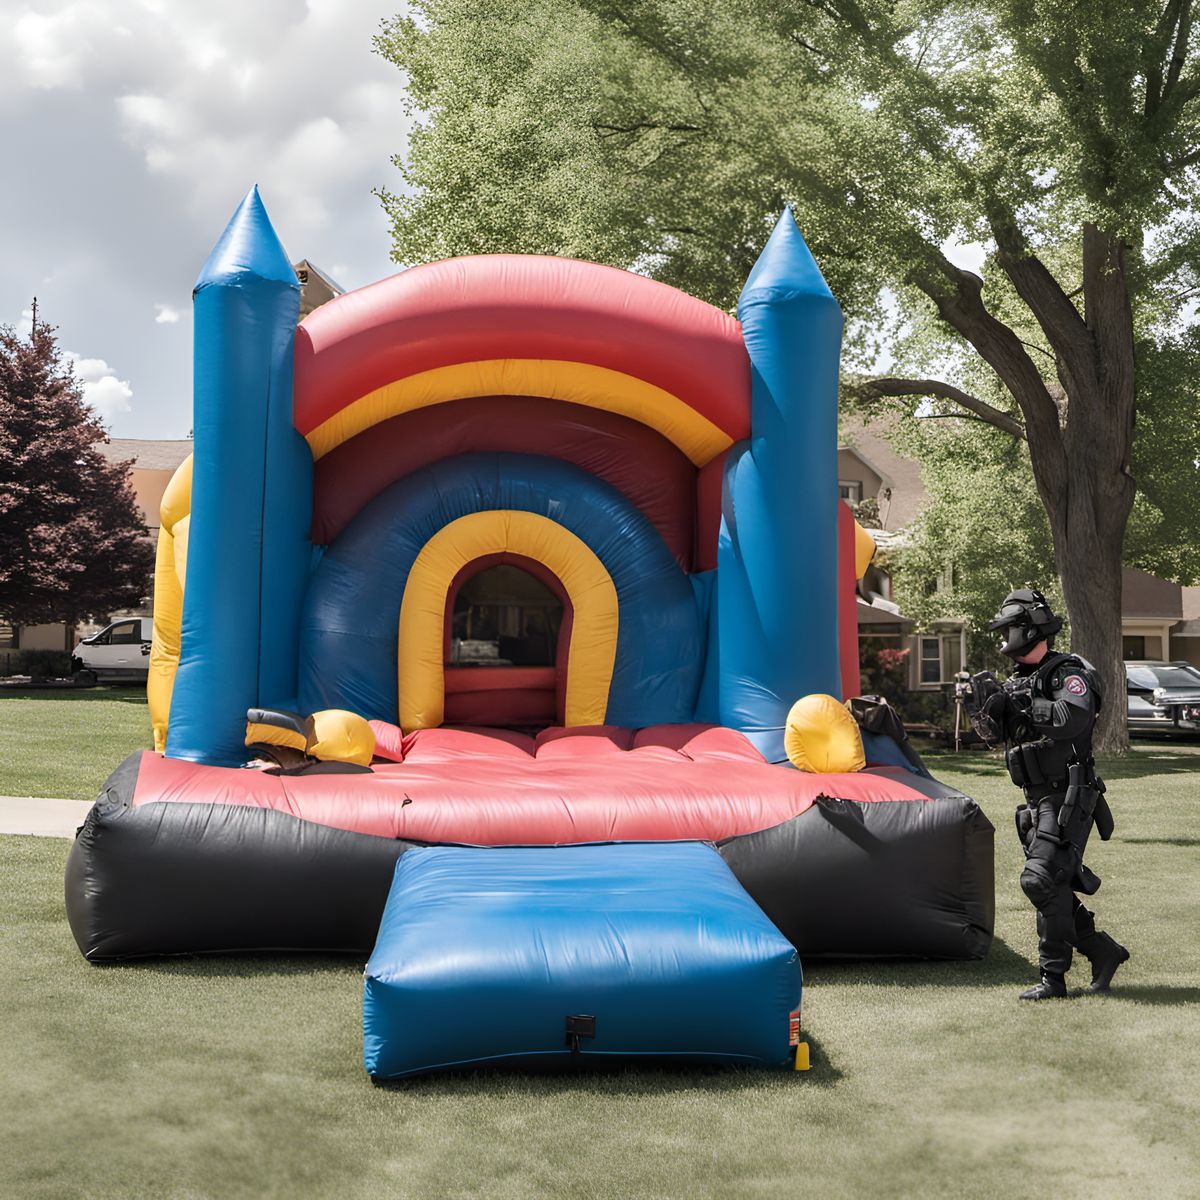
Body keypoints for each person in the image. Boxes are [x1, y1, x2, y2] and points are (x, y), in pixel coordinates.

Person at [963, 588, 1129, 1000]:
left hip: (1069, 794)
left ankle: (1053, 979)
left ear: (1030, 629)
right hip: (1036, 799)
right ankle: (1103, 952)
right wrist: (982, 710)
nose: (1004, 639)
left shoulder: (1067, 673)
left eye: (1009, 629)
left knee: (1039, 880)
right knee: (1052, 885)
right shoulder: (1016, 680)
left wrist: (1021, 703)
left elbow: (1071, 717)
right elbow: (992, 737)